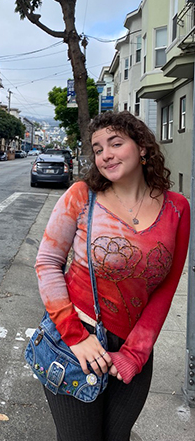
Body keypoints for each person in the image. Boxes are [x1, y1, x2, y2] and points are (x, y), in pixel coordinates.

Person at [35, 111, 190, 441]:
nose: (105, 154)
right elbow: (47, 263)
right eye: (97, 148)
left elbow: (166, 286)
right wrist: (76, 337)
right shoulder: (82, 196)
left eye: (115, 143)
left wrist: (136, 353)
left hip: (133, 351)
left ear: (143, 148)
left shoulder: (177, 208)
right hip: (74, 341)